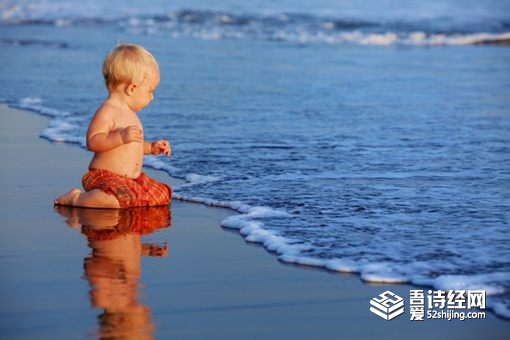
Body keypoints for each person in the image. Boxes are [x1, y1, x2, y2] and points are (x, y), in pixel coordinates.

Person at [54, 43, 172, 209]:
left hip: (130, 179)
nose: (152, 97)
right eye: (150, 91)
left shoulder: (131, 114)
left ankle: (117, 197)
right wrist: (120, 137)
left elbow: (133, 146)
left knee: (161, 195)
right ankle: (76, 198)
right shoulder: (107, 111)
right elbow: (93, 142)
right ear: (131, 88)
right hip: (105, 177)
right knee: (115, 201)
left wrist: (151, 148)